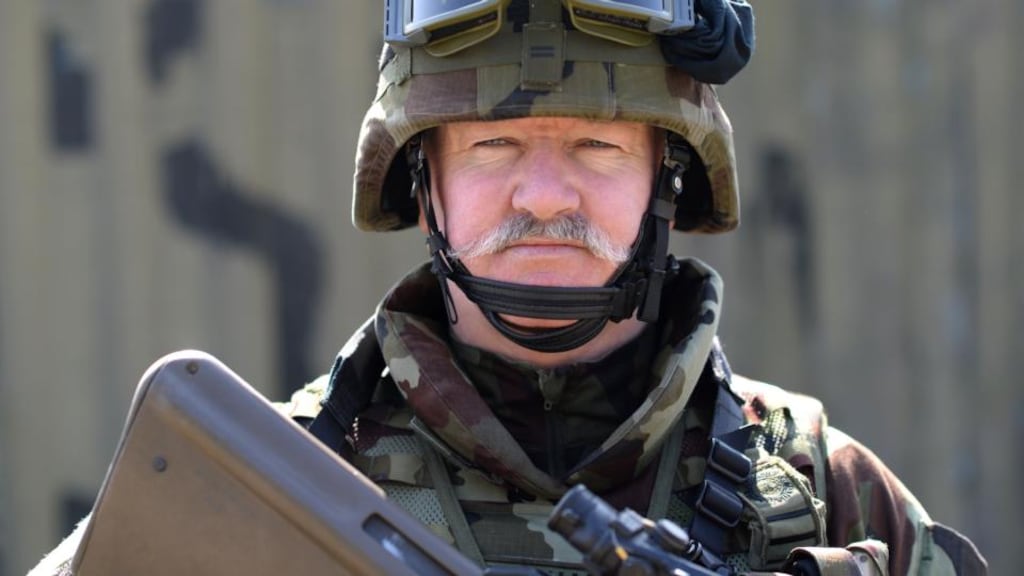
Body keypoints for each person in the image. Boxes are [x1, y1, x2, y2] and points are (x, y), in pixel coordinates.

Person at [32, 1, 986, 574]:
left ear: (667, 181)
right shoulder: (260, 486)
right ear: (422, 183)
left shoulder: (826, 494)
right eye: (493, 144)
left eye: (597, 145)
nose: (543, 195)